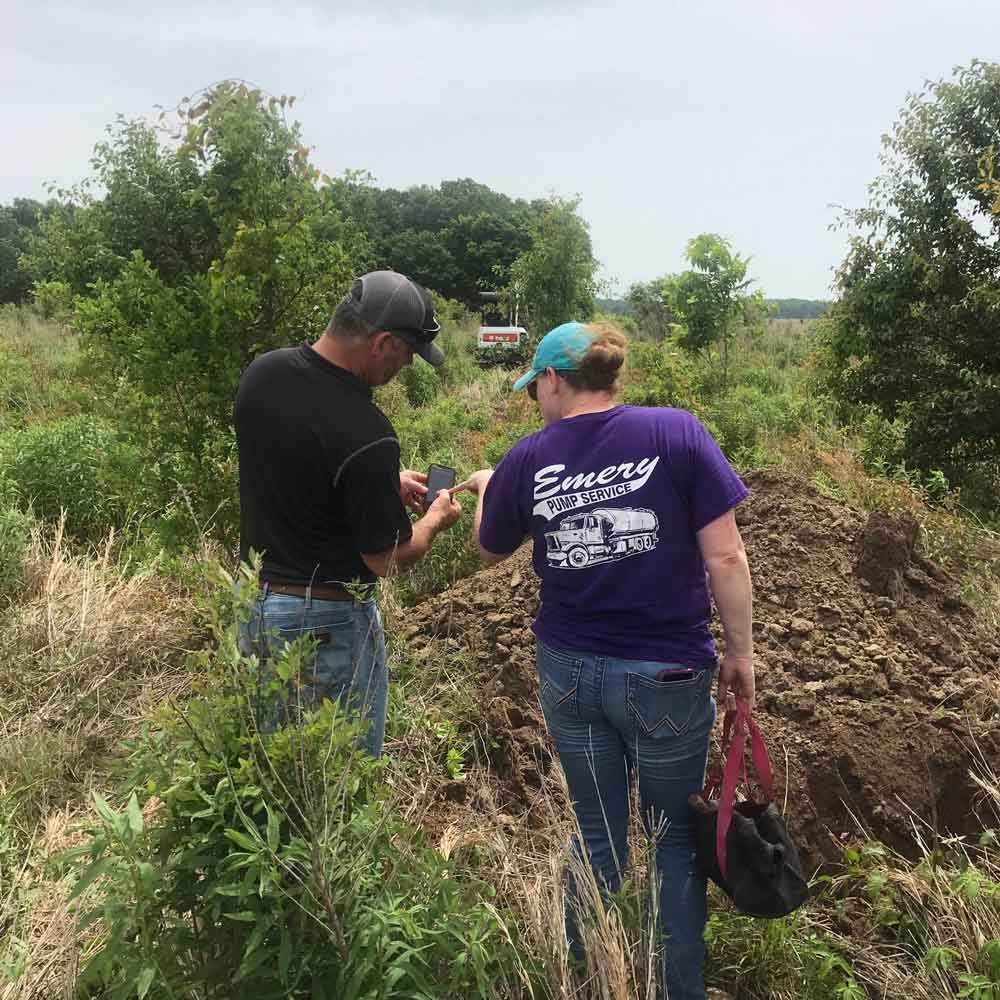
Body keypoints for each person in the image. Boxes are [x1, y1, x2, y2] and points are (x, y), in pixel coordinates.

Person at [459, 322, 755, 1000]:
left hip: (570, 674)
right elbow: (728, 557)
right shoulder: (677, 433)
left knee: (597, 837)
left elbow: (487, 548)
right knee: (674, 841)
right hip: (667, 677)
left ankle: (585, 976)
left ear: (555, 379)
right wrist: (741, 653)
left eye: (536, 386)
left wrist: (487, 487)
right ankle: (675, 989)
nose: (536, 399)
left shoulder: (526, 458)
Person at [235, 271, 463, 754]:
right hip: (325, 624)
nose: (403, 368)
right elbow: (386, 560)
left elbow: (294, 464)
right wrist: (432, 522)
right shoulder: (367, 432)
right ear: (382, 343)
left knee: (276, 763)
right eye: (406, 355)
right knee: (341, 777)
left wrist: (377, 484)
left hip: (255, 605)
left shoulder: (262, 374)